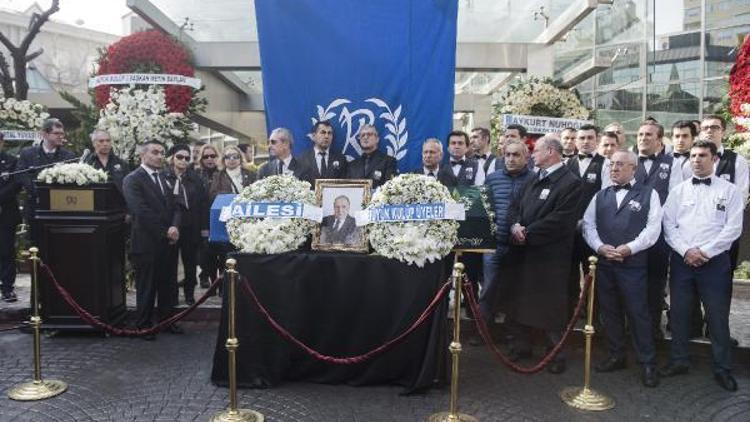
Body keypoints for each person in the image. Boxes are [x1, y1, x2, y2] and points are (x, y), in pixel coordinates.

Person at [660, 140, 743, 392]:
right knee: (680, 314)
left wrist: (704, 252)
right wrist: (686, 251)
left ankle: (722, 368)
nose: (696, 159)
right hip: (683, 261)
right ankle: (679, 360)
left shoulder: (730, 191)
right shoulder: (679, 191)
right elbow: (669, 225)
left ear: (714, 159)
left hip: (715, 263)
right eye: (693, 156)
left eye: (702, 155)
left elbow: (733, 229)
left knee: (717, 317)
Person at [583, 150, 662, 388]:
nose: (614, 168)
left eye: (620, 164)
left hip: (633, 265)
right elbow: (588, 225)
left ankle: (648, 363)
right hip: (606, 264)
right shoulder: (600, 195)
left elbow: (653, 228)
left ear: (633, 168)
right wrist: (600, 247)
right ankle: (616, 355)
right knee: (610, 312)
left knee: (638, 313)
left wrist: (630, 248)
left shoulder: (650, 194)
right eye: (612, 164)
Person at [506, 136, 581, 374]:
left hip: (550, 256)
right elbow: (515, 207)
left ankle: (555, 353)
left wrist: (529, 232)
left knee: (550, 307)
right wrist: (515, 226)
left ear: (550, 152)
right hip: (524, 251)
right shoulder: (533, 178)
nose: (532, 154)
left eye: (535, 150)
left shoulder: (570, 182)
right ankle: (522, 345)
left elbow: (562, 219)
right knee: (521, 301)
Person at [122, 140, 183, 340]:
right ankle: (144, 325)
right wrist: (165, 231)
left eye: (162, 152)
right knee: (147, 287)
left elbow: (176, 205)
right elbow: (140, 211)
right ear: (143, 155)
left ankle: (166, 321)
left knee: (167, 285)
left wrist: (174, 226)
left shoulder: (166, 177)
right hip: (147, 242)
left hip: (168, 242)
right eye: (155, 152)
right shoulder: (133, 179)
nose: (159, 156)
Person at [478, 140, 533, 331]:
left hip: (520, 247)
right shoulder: (492, 178)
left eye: (516, 155)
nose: (510, 159)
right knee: (488, 288)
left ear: (526, 158)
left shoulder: (534, 179)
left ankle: (513, 335)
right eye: (507, 155)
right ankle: (484, 330)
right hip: (493, 245)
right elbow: (483, 208)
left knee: (516, 291)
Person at [635, 120, 681, 340]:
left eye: (649, 135)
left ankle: (653, 328)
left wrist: (654, 224)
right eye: (641, 134)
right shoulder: (626, 161)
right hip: (630, 234)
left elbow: (674, 198)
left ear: (660, 140)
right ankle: (630, 326)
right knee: (631, 283)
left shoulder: (672, 164)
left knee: (655, 284)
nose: (643, 138)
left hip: (659, 237)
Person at [565, 124, 606, 317]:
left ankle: (593, 311)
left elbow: (605, 197)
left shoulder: (605, 164)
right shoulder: (567, 164)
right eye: (582, 138)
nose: (586, 142)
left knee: (592, 270)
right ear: (575, 141)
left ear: (597, 140)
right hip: (569, 228)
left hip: (593, 228)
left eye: (590, 138)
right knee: (569, 271)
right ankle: (571, 309)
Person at [16, 118, 76, 245]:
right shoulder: (28, 153)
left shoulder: (68, 156)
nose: (60, 136)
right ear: (44, 134)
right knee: (35, 245)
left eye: (62, 134)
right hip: (35, 208)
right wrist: (37, 191)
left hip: (60, 211)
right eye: (56, 133)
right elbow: (21, 175)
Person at [163, 144, 208, 306]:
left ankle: (189, 294)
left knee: (190, 262)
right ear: (172, 158)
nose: (183, 160)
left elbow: (203, 204)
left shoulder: (196, 178)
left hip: (191, 225)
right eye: (179, 157)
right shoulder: (164, 176)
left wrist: (204, 228)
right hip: (172, 226)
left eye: (187, 158)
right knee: (171, 262)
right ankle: (172, 295)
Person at [0, 132, 21, 302]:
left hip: (5, 213)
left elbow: (15, 184)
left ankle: (7, 288)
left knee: (6, 251)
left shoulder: (11, 161)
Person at [346, 124, 397, 189]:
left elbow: (390, 189)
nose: (365, 137)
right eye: (362, 135)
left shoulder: (389, 161)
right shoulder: (352, 165)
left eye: (369, 134)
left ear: (377, 139)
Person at [296, 121, 348, 185]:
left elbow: (345, 185)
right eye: (323, 132)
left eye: (329, 133)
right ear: (314, 136)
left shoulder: (341, 159)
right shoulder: (301, 159)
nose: (326, 136)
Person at [84, 129, 130, 193]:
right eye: (101, 141)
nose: (105, 144)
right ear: (94, 143)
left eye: (108, 141)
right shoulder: (87, 163)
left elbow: (128, 186)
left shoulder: (121, 164)